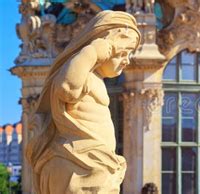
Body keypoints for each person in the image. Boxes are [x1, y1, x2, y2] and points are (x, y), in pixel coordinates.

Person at [25, 11, 141, 194]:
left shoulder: (94, 77)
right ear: (104, 45)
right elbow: (67, 89)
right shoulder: (82, 68)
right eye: (123, 53)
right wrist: (92, 51)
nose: (127, 60)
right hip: (78, 161)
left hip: (91, 160)